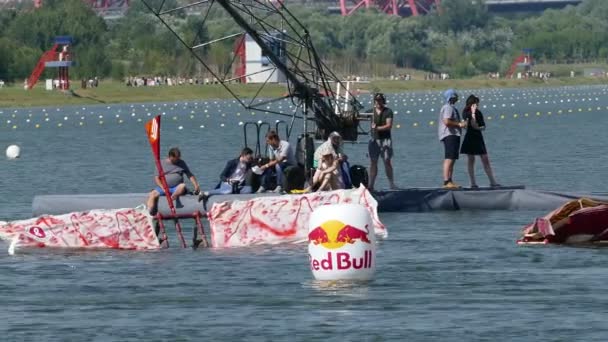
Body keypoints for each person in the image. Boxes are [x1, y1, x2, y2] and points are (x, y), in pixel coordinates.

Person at [460, 95, 500, 188]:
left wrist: (480, 127)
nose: (477, 105)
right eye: (476, 104)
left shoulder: (479, 112)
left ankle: (492, 182)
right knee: (471, 159)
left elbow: (483, 126)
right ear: (471, 104)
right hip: (470, 137)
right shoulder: (466, 112)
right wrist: (473, 114)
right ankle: (473, 183)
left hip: (478, 137)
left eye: (477, 104)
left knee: (485, 159)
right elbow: (473, 125)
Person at [146, 147, 200, 215]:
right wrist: (163, 187)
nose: (177, 160)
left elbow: (189, 175)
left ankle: (174, 196)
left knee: (183, 186)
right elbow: (157, 178)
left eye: (178, 158)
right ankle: (148, 212)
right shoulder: (161, 163)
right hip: (163, 188)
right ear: (170, 156)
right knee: (152, 194)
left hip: (176, 188)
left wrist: (196, 185)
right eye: (175, 159)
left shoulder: (181, 163)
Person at [438, 89, 467, 189]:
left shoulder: (451, 108)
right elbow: (446, 121)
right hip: (449, 135)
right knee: (449, 158)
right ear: (452, 97)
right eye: (456, 96)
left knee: (453, 159)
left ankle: (450, 180)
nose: (457, 98)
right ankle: (446, 181)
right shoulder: (448, 108)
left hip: (454, 135)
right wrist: (459, 124)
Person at [368, 93, 397, 191]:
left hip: (385, 140)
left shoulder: (388, 111)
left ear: (383, 101)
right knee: (373, 162)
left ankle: (391, 184)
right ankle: (371, 185)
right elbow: (361, 117)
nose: (378, 102)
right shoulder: (371, 112)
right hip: (374, 140)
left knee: (387, 161)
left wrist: (377, 128)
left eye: (380, 100)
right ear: (374, 101)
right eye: (376, 100)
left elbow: (389, 125)